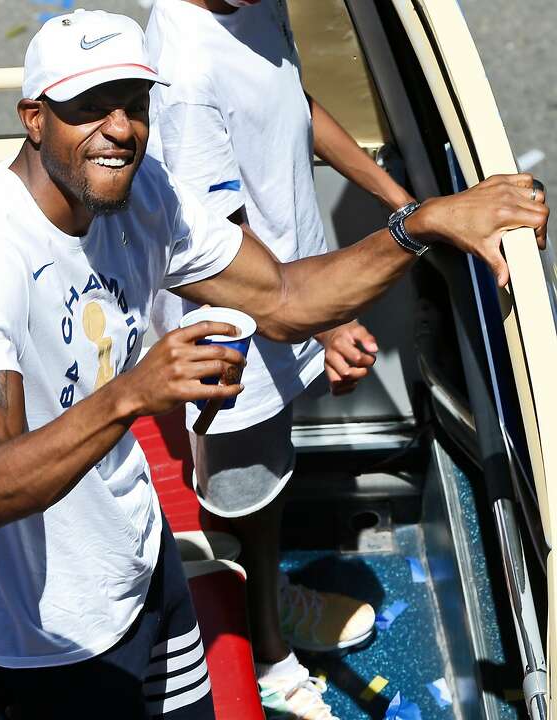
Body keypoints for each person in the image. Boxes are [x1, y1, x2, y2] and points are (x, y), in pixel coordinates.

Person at [0, 9, 547, 719]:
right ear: (34, 119)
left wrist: (420, 224)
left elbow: (284, 297)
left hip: (136, 562)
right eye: (88, 108)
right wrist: (133, 393)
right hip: (42, 639)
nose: (120, 129)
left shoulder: (144, 197)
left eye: (134, 105)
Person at [144, 2, 417, 716]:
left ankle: (262, 605)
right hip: (236, 329)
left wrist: (401, 201)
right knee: (249, 499)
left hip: (293, 300)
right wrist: (325, 323)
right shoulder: (185, 70)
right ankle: (266, 653)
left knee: (271, 480)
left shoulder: (254, 6)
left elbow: (292, 98)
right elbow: (225, 245)